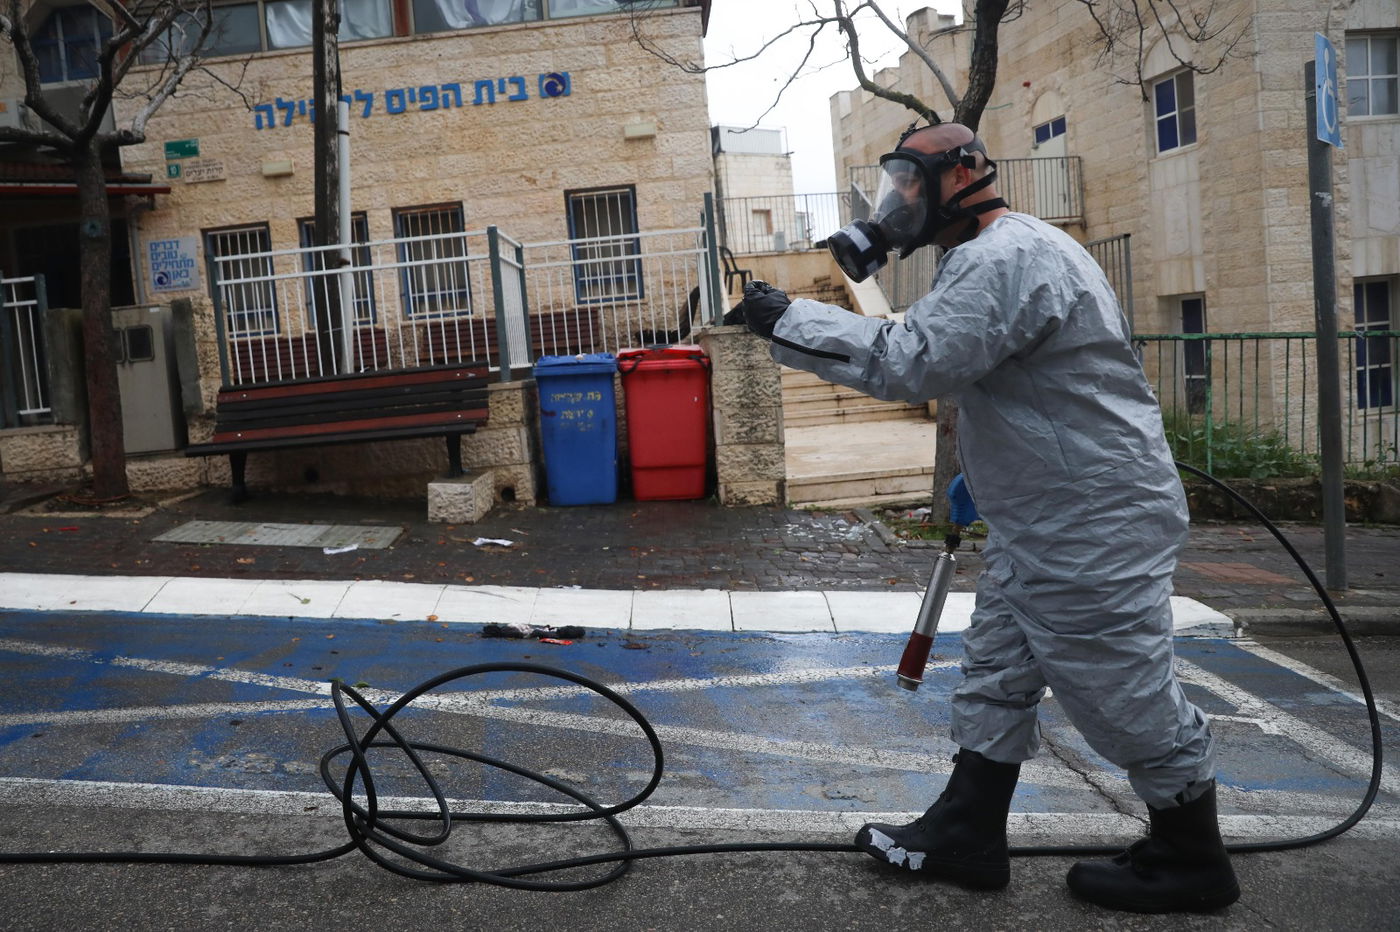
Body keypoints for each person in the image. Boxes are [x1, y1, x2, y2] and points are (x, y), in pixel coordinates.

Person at [730, 122, 1238, 914]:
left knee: (1120, 690)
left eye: (911, 180)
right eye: (892, 181)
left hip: (1087, 520)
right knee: (999, 670)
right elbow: (1005, 378)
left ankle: (1192, 853)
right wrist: (987, 473)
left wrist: (785, 318)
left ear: (965, 175)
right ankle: (968, 830)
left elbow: (912, 360)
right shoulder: (1002, 252)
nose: (897, 199)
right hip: (1045, 512)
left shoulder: (1003, 258)